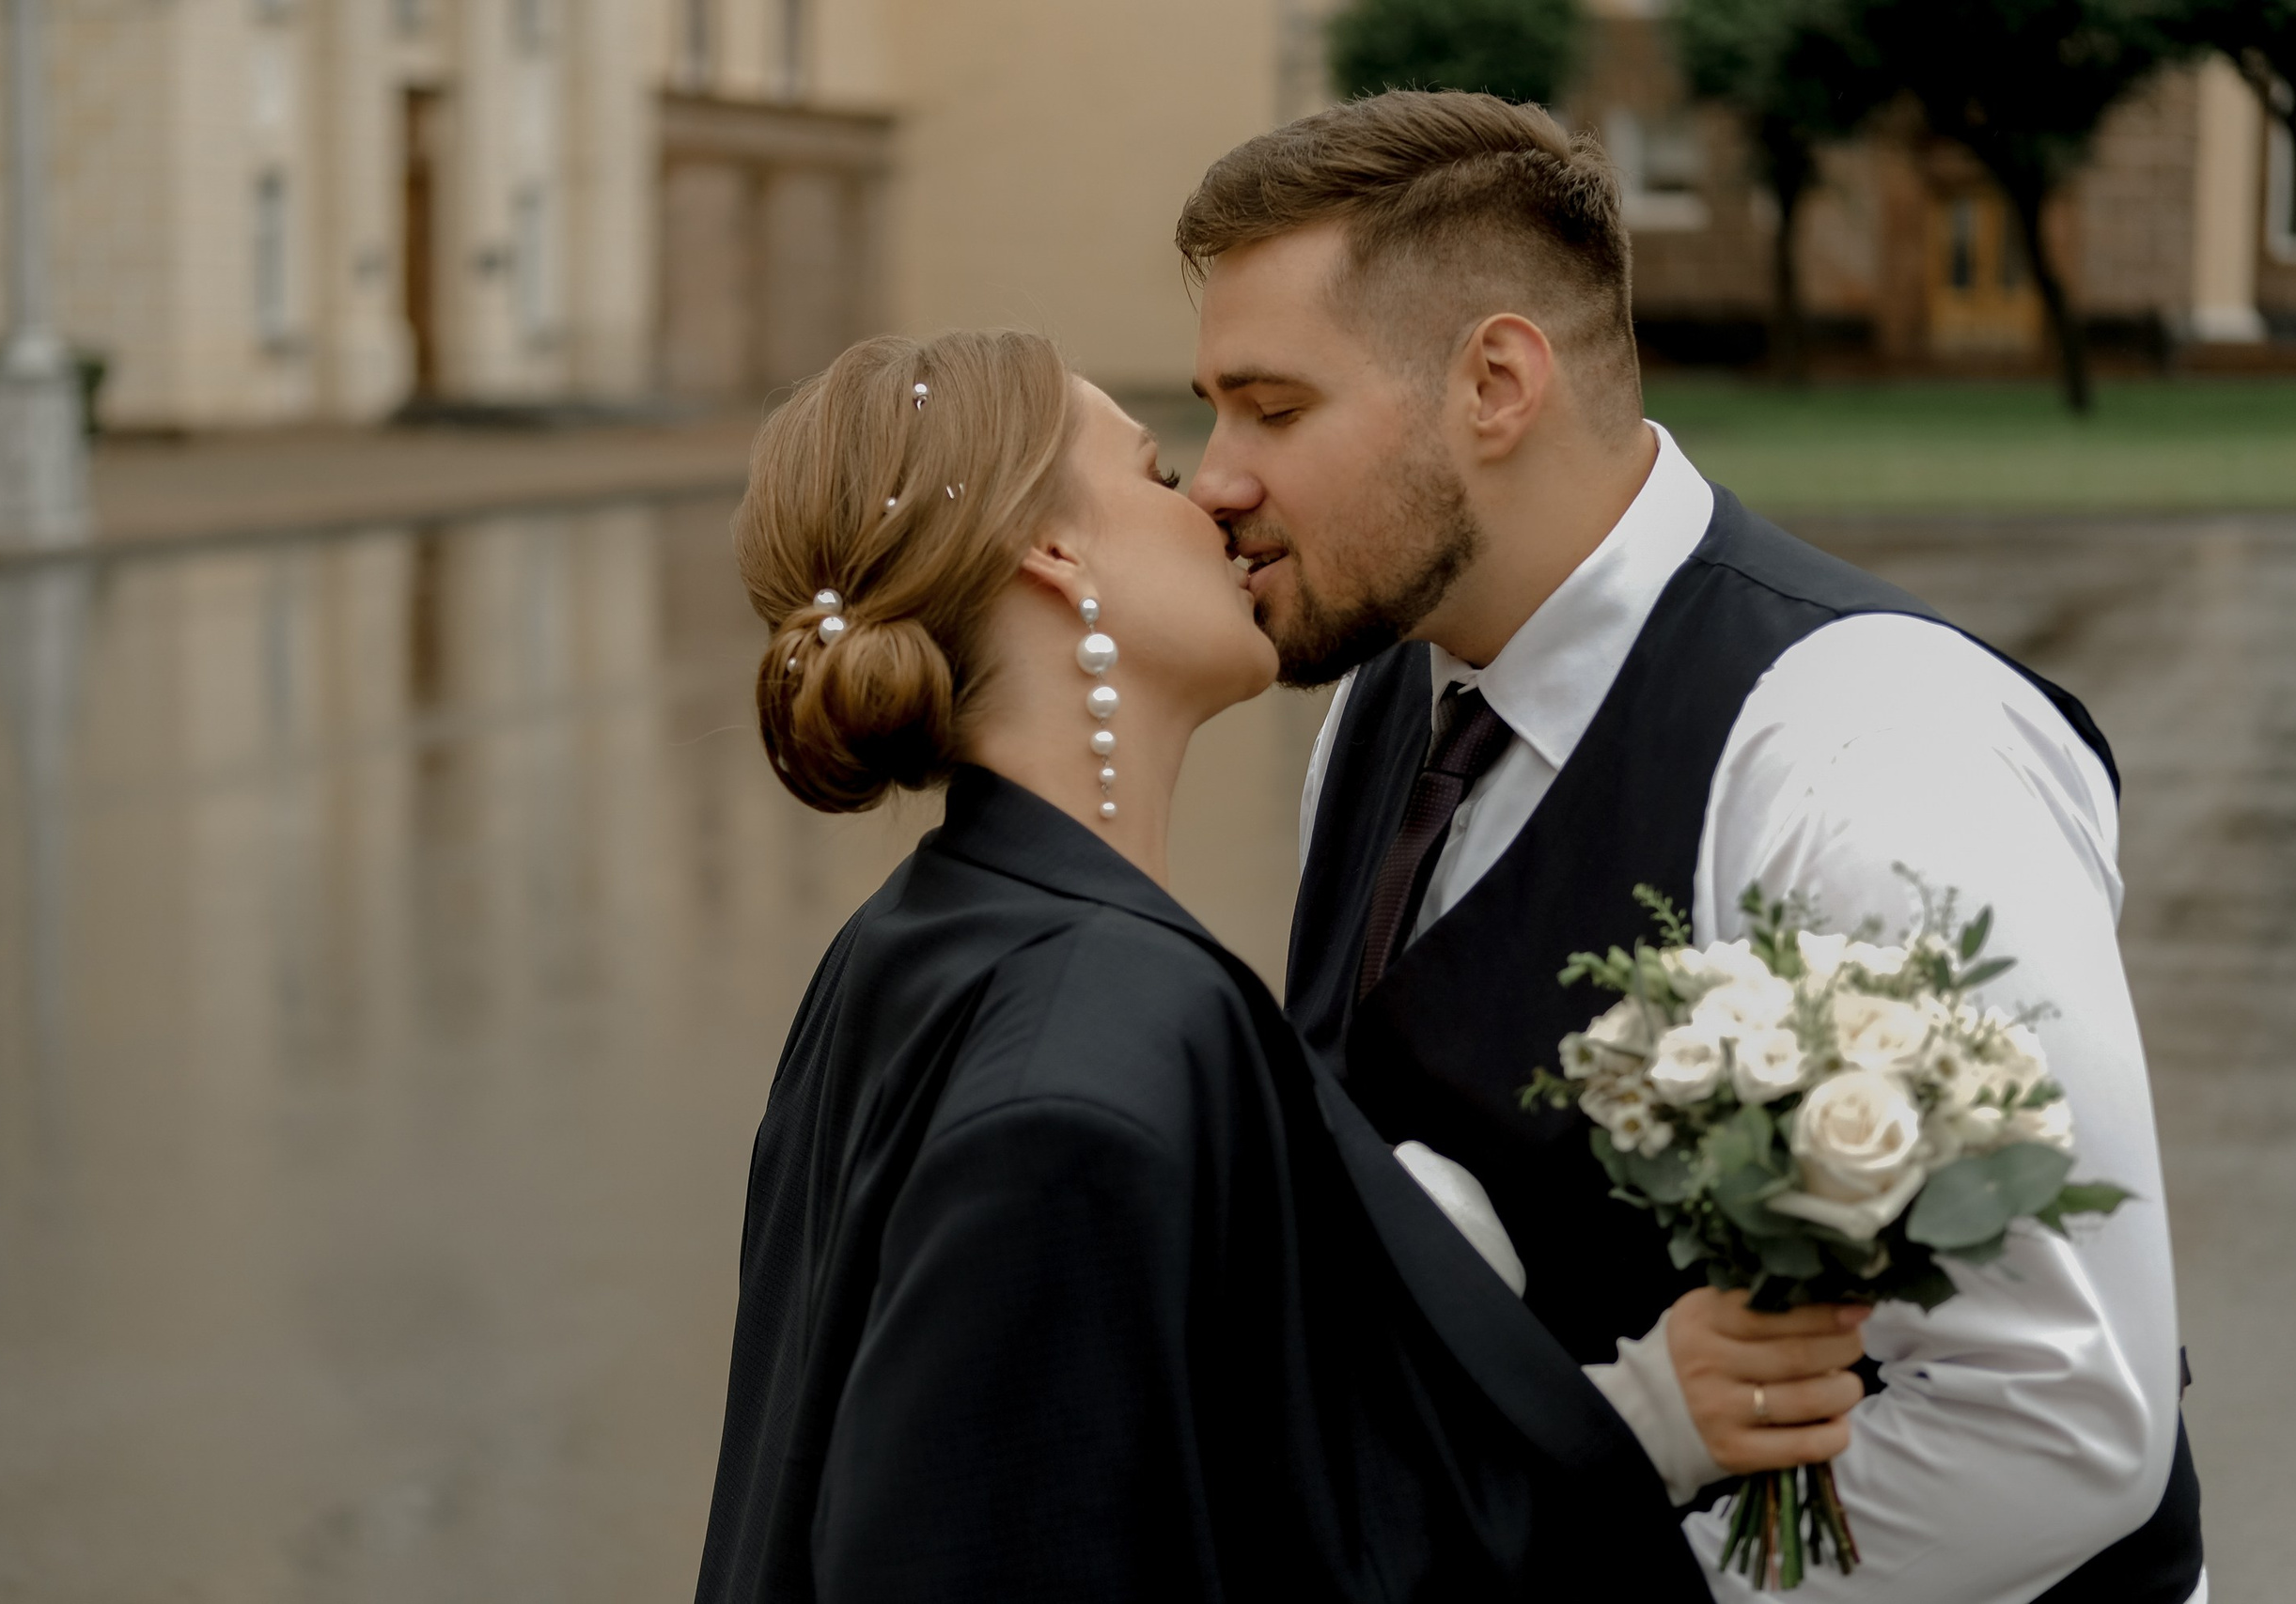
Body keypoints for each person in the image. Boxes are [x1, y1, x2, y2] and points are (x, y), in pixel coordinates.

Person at [1176, 89, 2204, 1603]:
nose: (1215, 475)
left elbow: (2052, 1417)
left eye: (1274, 409)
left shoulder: (1870, 742)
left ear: (1498, 382)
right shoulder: (1386, 704)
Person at [692, 329, 1866, 1602]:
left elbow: (1202, 1499)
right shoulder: (1085, 1057)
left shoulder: (916, 945)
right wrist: (1635, 1435)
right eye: (1151, 472)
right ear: (1053, 549)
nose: (1211, 500)